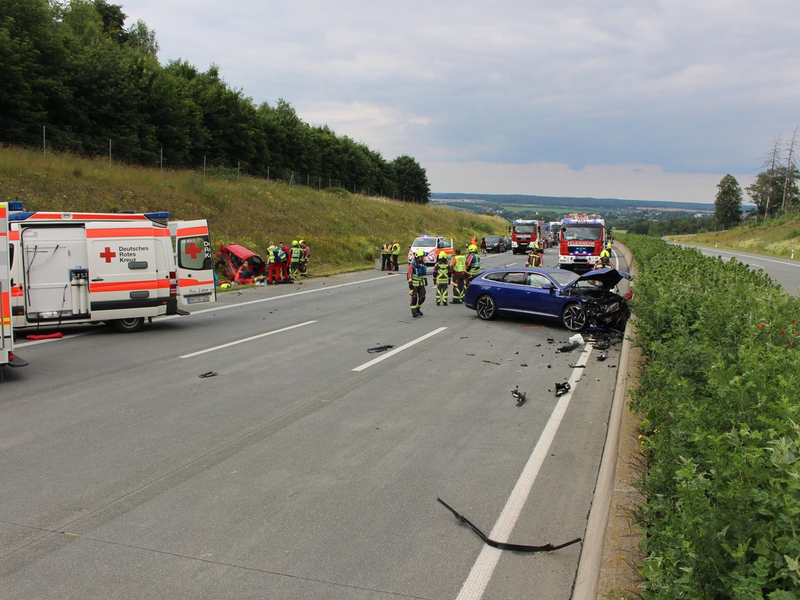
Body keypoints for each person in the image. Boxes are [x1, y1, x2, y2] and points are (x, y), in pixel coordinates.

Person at [407, 248, 428, 317]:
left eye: (423, 257)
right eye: (421, 257)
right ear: (417, 257)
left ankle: (418, 308)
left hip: (421, 283)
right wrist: (410, 283)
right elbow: (409, 274)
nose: (422, 258)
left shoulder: (423, 264)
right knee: (414, 298)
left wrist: (425, 280)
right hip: (414, 284)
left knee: (422, 297)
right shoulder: (413, 264)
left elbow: (424, 273)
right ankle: (414, 311)